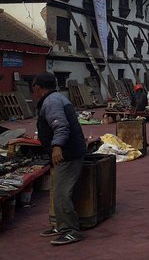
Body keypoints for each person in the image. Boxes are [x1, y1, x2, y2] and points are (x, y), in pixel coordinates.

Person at [33, 72, 87, 246]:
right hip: (66, 152)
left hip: (67, 153)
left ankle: (70, 230)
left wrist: (57, 146)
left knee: (62, 193)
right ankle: (60, 225)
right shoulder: (56, 98)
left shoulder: (52, 101)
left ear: (37, 87)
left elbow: (60, 125)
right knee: (57, 191)